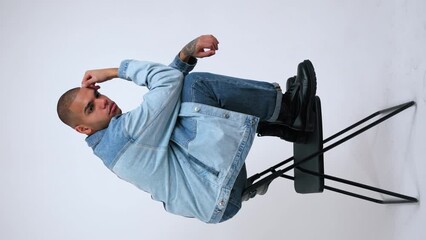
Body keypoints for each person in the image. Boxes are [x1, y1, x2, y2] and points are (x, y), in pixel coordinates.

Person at [57, 34, 317, 223]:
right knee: (196, 85)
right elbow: (170, 83)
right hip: (218, 193)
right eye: (91, 108)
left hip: (214, 198)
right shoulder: (123, 136)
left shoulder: (113, 142)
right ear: (82, 129)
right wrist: (115, 72)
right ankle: (290, 112)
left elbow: (167, 98)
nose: (103, 103)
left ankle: (285, 128)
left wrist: (186, 54)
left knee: (184, 105)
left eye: (98, 96)